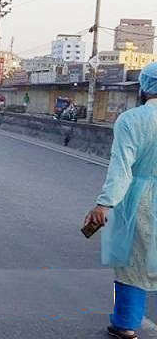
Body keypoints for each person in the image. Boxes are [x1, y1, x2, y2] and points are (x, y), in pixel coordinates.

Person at [83, 62, 157, 339]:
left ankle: (125, 324)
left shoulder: (131, 120)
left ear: (144, 87)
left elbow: (121, 168)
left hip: (138, 200)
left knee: (131, 263)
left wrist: (104, 203)